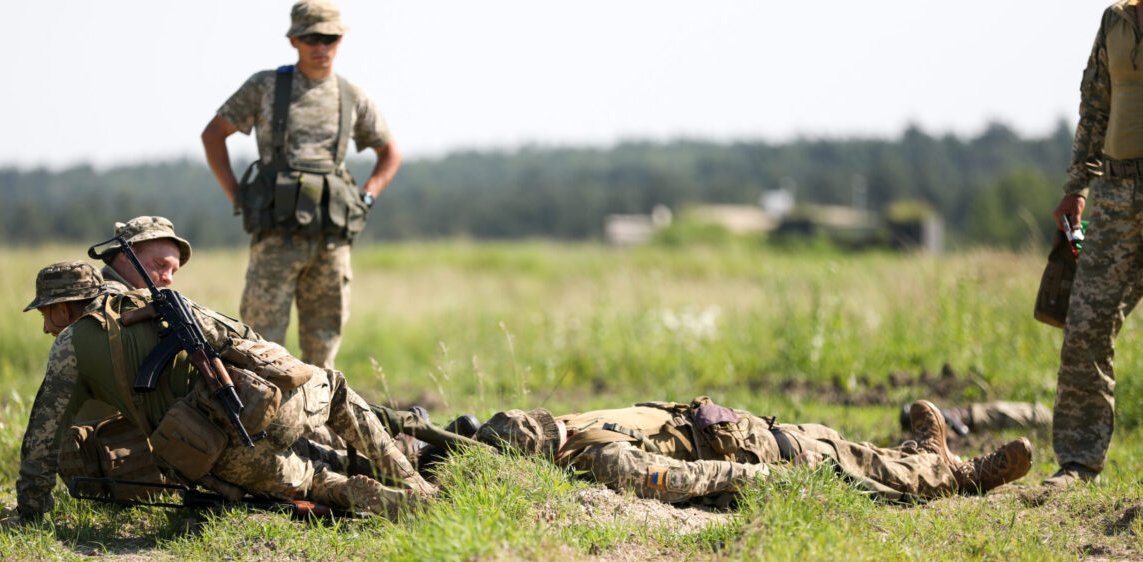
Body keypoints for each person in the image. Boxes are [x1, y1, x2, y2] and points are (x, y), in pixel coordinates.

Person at [12, 263, 434, 525]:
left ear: (65, 306)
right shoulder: (152, 300)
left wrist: (31, 511)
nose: (46, 326)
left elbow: (41, 439)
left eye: (46, 314)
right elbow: (237, 335)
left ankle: (353, 493)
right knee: (337, 391)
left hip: (213, 449)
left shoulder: (69, 347)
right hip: (263, 400)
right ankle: (412, 483)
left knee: (308, 483)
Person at [201, 0, 403, 369]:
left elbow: (390, 153)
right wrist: (237, 195)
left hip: (330, 241)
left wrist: (366, 197)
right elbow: (214, 135)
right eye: (311, 37)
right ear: (294, 40)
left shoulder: (352, 96)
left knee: (322, 353)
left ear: (340, 39)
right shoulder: (264, 86)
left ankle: (316, 423)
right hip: (275, 240)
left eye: (329, 37)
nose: (320, 46)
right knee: (259, 349)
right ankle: (261, 424)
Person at [473, 398, 1033, 504]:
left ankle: (923, 451)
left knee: (839, 441)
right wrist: (770, 480)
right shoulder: (600, 457)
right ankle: (961, 476)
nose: (560, 426)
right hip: (758, 456)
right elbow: (684, 480)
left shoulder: (573, 424)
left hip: (746, 428)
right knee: (856, 467)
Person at [1046, 1, 1143, 487]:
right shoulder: (1116, 20)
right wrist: (1076, 186)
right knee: (1084, 323)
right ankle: (1080, 463)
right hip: (1115, 194)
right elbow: (1095, 106)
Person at [898, 401, 1052, 436]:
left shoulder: (938, 414)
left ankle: (1043, 417)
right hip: (979, 414)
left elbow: (962, 431)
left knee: (1034, 417)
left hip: (980, 416)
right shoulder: (935, 412)